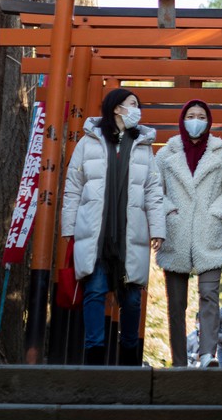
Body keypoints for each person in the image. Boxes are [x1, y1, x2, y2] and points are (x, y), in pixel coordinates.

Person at [61, 88, 164, 366]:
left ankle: (129, 357)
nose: (137, 109)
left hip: (132, 234)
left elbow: (153, 190)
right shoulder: (88, 142)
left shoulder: (143, 144)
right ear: (117, 108)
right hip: (95, 232)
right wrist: (69, 227)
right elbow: (73, 187)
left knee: (131, 300)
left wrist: (158, 229)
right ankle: (94, 357)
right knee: (94, 292)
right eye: (132, 104)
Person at [154, 99, 222, 368]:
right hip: (175, 234)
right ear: (182, 119)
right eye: (191, 115)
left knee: (209, 296)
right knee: (176, 303)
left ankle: (206, 355)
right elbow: (155, 191)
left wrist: (215, 213)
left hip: (209, 233)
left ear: (209, 120)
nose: (196, 120)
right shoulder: (165, 155)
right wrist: (169, 212)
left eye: (201, 115)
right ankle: (179, 360)